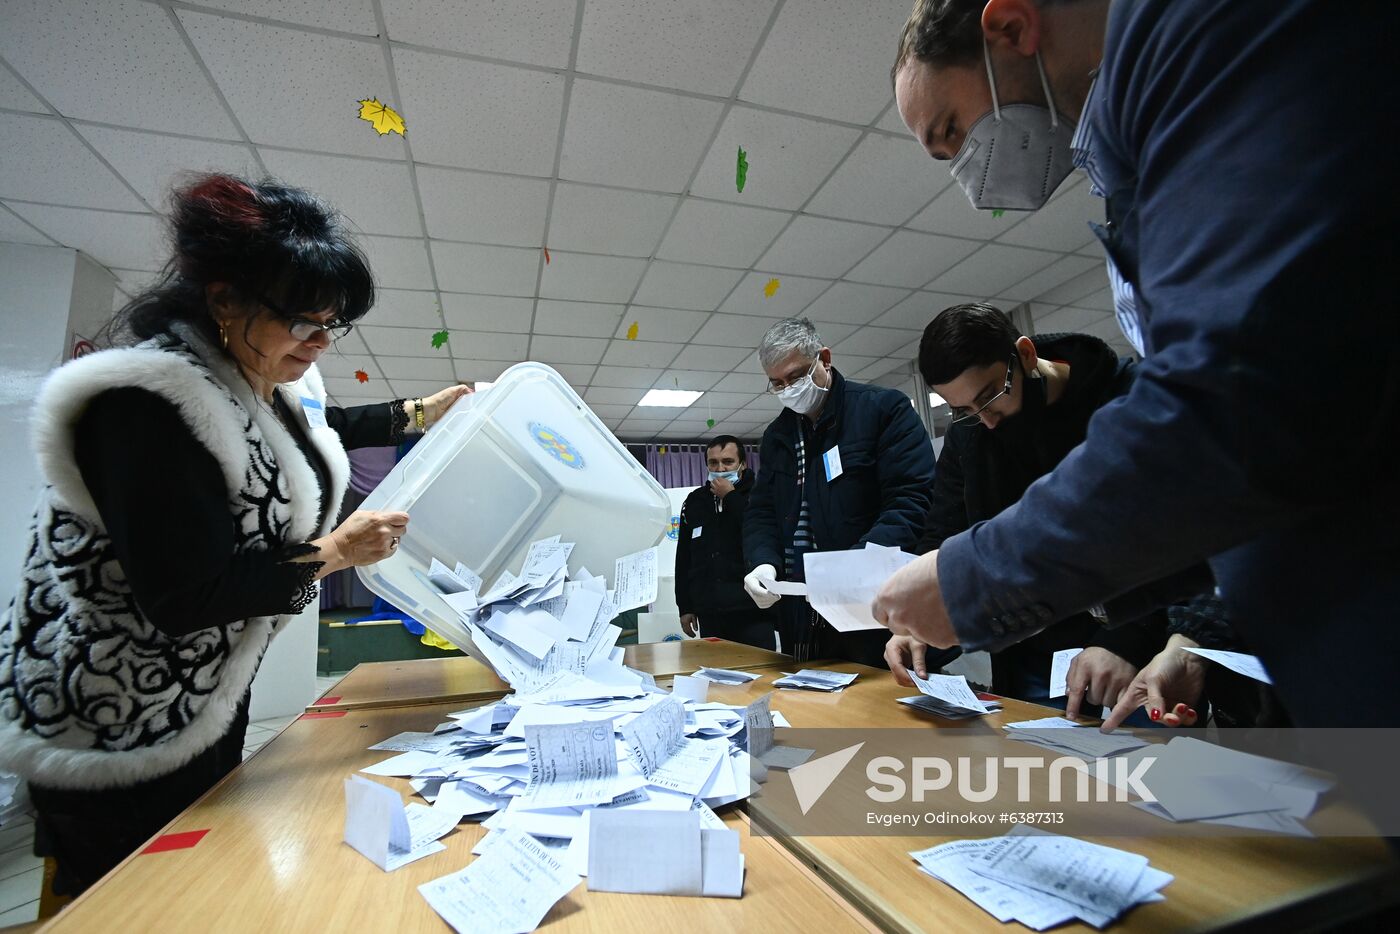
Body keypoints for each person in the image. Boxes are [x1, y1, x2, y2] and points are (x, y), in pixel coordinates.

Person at [874, 0, 1399, 734]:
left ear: (1010, 29)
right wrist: (1199, 634)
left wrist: (971, 581)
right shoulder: (1127, 159)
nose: (966, 171)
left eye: (953, 130)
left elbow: (1232, 401)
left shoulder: (1204, 42)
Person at [0, 173, 471, 894]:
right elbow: (186, 597)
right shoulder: (145, 406)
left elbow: (315, 430)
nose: (319, 344)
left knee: (206, 874)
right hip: (118, 721)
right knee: (132, 897)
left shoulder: (253, 375)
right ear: (225, 300)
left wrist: (414, 414)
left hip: (207, 695)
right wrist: (336, 552)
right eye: (303, 321)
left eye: (331, 324)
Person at [884, 303, 1165, 708]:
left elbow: (1170, 536)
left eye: (991, 396)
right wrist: (919, 619)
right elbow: (943, 531)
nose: (988, 420)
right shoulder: (972, 432)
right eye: (964, 410)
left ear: (1027, 355)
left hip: (1129, 655)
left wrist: (1125, 641)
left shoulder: (1124, 397)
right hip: (1027, 658)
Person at [743, 317, 936, 664]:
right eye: (777, 383)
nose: (789, 389)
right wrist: (763, 563)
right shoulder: (777, 436)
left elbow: (911, 499)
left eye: (797, 376)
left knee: (871, 705)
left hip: (869, 608)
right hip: (800, 612)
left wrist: (856, 564)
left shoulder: (882, 410)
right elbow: (762, 512)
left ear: (825, 359)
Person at [674, 436, 778, 649]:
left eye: (728, 462)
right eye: (713, 463)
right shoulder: (695, 501)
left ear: (743, 464)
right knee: (716, 677)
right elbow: (684, 557)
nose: (720, 468)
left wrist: (731, 497)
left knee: (759, 676)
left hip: (752, 610)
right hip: (710, 612)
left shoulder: (760, 494)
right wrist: (685, 606)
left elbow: (761, 531)